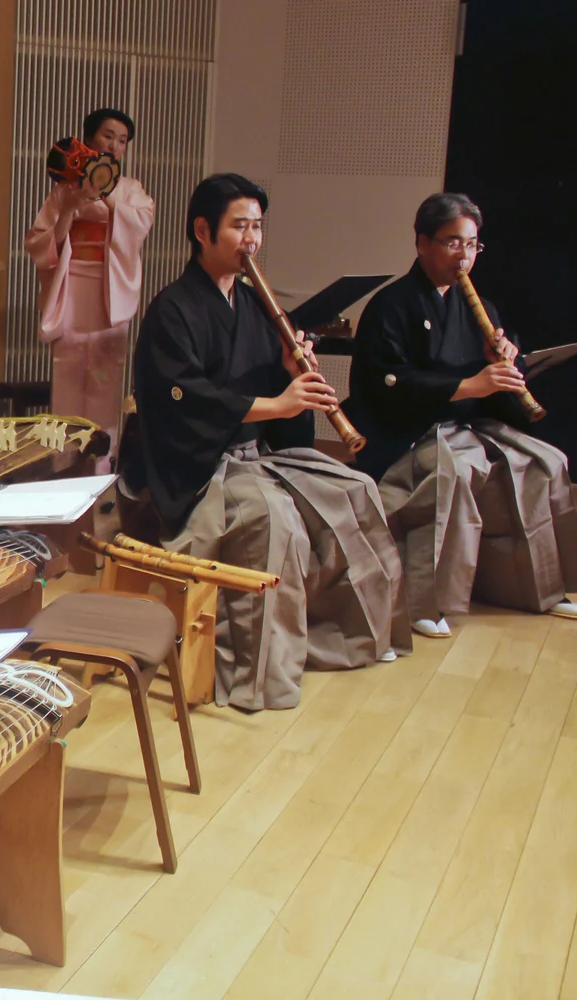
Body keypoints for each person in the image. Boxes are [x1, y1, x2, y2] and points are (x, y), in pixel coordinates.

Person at [126, 174, 406, 711]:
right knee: (272, 518)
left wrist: (285, 374)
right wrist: (280, 403)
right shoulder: (173, 310)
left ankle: (333, 638)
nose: (251, 239)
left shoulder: (253, 304)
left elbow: (272, 403)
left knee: (353, 490)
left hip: (255, 454)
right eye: (239, 226)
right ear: (202, 230)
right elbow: (190, 402)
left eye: (257, 227)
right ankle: (255, 674)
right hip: (198, 465)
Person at [345, 193, 577, 636]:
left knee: (546, 462)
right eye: (453, 243)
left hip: (466, 424)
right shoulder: (391, 305)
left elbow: (494, 383)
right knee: (454, 471)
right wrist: (468, 384)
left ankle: (540, 590)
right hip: (406, 430)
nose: (464, 256)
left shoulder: (480, 308)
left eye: (472, 245)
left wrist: (509, 361)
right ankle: (426, 603)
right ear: (422, 243)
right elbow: (385, 383)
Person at [24, 107, 156, 474]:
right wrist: (69, 208)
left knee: (106, 372)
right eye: (108, 136)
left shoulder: (132, 190)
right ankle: (63, 461)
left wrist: (106, 193)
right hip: (71, 284)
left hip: (109, 290)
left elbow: (139, 224)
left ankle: (101, 463)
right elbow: (39, 244)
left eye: (122, 140)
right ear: (88, 140)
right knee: (67, 370)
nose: (115, 145)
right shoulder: (64, 189)